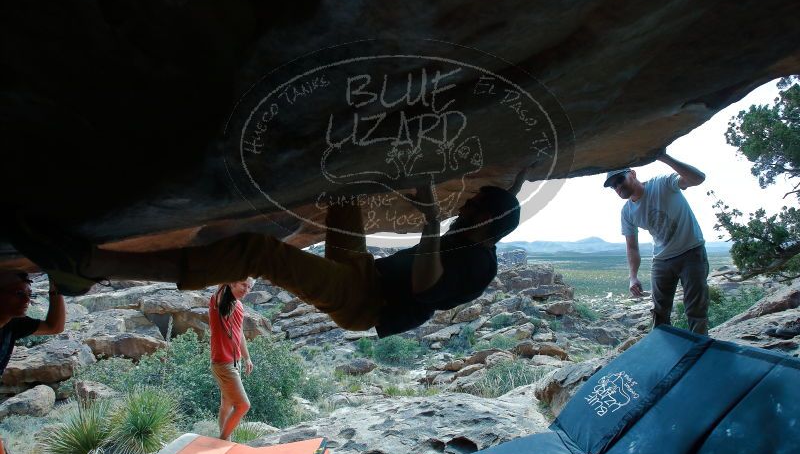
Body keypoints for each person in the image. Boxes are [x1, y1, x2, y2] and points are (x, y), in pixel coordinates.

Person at [7, 176, 523, 337]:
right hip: (366, 274)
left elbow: (424, 289)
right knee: (346, 196)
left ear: (490, 226)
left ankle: (91, 266)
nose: (464, 208)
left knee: (259, 254)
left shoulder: (479, 266)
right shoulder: (467, 240)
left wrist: (432, 223)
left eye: (474, 208)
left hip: (365, 303)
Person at [604, 151, 709, 334]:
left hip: (691, 252)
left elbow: (698, 178)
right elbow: (632, 247)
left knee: (696, 311)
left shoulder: (663, 184)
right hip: (662, 260)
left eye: (620, 180)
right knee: (659, 313)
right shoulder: (627, 212)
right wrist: (633, 277)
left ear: (633, 174)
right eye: (613, 186)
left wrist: (663, 157)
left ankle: (700, 353)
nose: (617, 187)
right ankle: (664, 354)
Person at [0, 272, 65, 454]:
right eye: (19, 294)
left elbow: (55, 326)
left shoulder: (11, 324)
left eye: (29, 294)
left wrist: (56, 287)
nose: (27, 300)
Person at [209, 279, 254, 441]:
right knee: (243, 406)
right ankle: (222, 442)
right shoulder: (218, 300)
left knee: (227, 405)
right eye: (244, 284)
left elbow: (239, 333)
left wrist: (247, 357)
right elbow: (222, 278)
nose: (246, 289)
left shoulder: (239, 306)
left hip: (235, 363)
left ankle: (224, 441)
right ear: (232, 283)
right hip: (223, 363)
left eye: (249, 287)